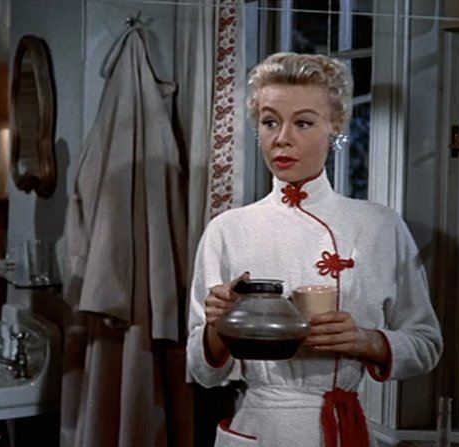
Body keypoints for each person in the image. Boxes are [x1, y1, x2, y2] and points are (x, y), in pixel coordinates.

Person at [186, 52, 442, 447]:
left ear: (335, 125)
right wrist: (220, 326)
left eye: (303, 123)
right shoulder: (228, 230)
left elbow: (426, 344)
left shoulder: (380, 226)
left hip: (344, 426)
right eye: (270, 122)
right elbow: (202, 372)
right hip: (262, 428)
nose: (282, 138)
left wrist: (367, 341)